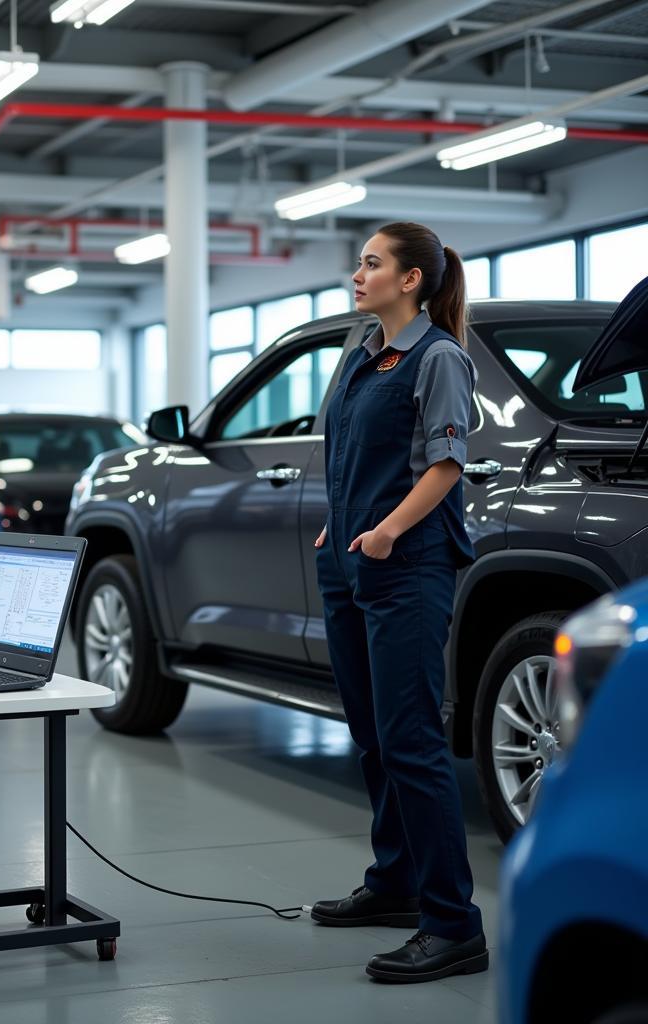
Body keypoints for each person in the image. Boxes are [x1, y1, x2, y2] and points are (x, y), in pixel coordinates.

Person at [310, 222, 487, 983]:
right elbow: (353, 454)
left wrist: (382, 532)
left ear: (412, 279)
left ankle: (453, 924)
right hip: (350, 563)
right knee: (375, 736)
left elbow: (446, 465)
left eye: (372, 263)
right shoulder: (362, 354)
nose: (359, 274)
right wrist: (339, 524)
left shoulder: (438, 358)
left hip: (406, 565)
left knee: (412, 739)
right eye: (361, 263)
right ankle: (396, 884)